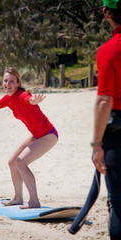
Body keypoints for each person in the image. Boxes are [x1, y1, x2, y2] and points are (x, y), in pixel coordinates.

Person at [0, 67, 58, 209]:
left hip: (48, 135)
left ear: (18, 83)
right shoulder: (8, 99)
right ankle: (18, 198)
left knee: (20, 163)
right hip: (36, 135)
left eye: (12, 81)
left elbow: (29, 100)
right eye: (5, 81)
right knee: (12, 162)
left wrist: (34, 100)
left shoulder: (21, 95)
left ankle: (34, 201)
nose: (8, 84)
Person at [91, 0, 121, 239]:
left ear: (106, 13)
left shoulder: (109, 50)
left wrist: (96, 144)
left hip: (118, 134)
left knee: (119, 203)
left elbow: (104, 102)